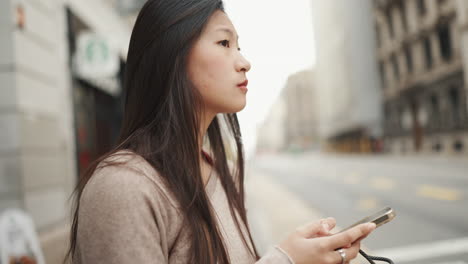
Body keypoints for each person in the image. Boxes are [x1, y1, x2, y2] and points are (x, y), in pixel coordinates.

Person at [63, 0, 376, 263]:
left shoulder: (218, 171)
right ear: (173, 54)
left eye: (239, 46)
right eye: (225, 43)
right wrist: (286, 260)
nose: (244, 62)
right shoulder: (123, 187)